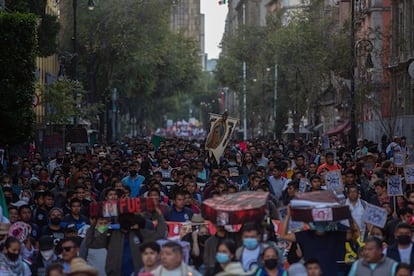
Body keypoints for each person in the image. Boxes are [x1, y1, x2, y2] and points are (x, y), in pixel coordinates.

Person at [85, 207, 167, 276]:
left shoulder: (139, 233)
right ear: (119, 219)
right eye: (124, 217)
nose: (126, 219)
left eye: (129, 217)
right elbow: (89, 243)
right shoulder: (110, 234)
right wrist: (92, 225)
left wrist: (159, 216)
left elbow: (159, 234)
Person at [280, 205, 352, 276]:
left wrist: (349, 216)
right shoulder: (304, 235)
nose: (320, 222)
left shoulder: (335, 235)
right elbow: (283, 235)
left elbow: (355, 234)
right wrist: (288, 215)